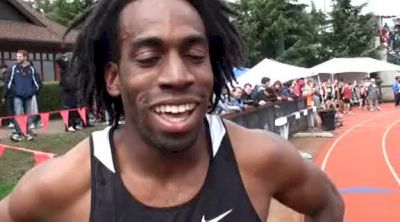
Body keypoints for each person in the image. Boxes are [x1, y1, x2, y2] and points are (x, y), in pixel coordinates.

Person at [0, 0, 344, 221]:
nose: (178, 76)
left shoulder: (261, 158)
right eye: (149, 59)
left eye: (195, 56)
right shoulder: (61, 187)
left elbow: (328, 205)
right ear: (114, 78)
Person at [2, 50, 41, 141]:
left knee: (28, 115)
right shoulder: (14, 68)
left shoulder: (31, 69)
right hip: (17, 96)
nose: (18, 58)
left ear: (25, 57)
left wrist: (32, 92)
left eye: (20, 56)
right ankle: (17, 132)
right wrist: (14, 91)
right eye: (17, 56)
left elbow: (37, 83)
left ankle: (27, 132)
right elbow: (9, 82)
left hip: (28, 96)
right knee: (18, 114)